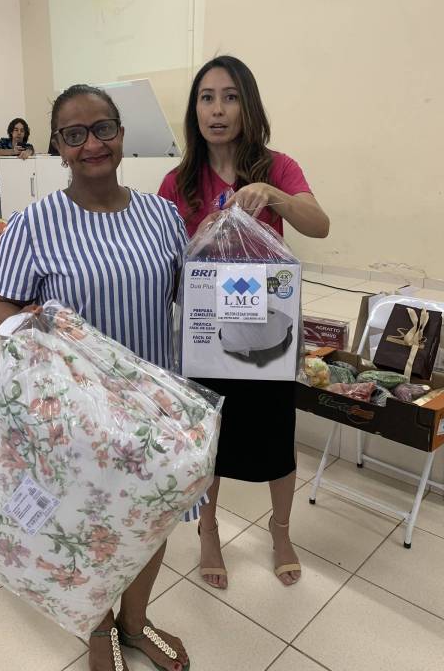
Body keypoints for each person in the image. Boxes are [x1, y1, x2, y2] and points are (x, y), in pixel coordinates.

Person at [0, 85, 190, 671]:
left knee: (151, 516)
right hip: (75, 411)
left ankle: (136, 620)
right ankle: (99, 625)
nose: (92, 144)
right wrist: (25, 333)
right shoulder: (33, 224)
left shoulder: (162, 216)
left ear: (121, 133)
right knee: (86, 521)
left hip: (152, 406)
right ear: (58, 146)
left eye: (103, 128)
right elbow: (0, 303)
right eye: (74, 135)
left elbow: (189, 294)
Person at [159, 55, 330, 589]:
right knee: (210, 439)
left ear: (248, 105)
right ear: (195, 110)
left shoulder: (277, 167)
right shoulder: (178, 181)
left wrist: (274, 195)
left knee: (277, 435)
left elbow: (319, 225)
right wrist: (202, 235)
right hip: (207, 335)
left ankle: (281, 531)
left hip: (269, 331)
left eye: (230, 97)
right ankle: (208, 531)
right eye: (206, 98)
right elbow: (165, 260)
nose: (217, 110)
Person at [0, 118, 35, 217]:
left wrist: (28, 152)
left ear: (25, 133)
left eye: (22, 130)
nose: (19, 133)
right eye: (16, 130)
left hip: (18, 192)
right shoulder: (4, 142)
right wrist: (12, 151)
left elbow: (31, 150)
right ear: (11, 131)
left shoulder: (28, 146)